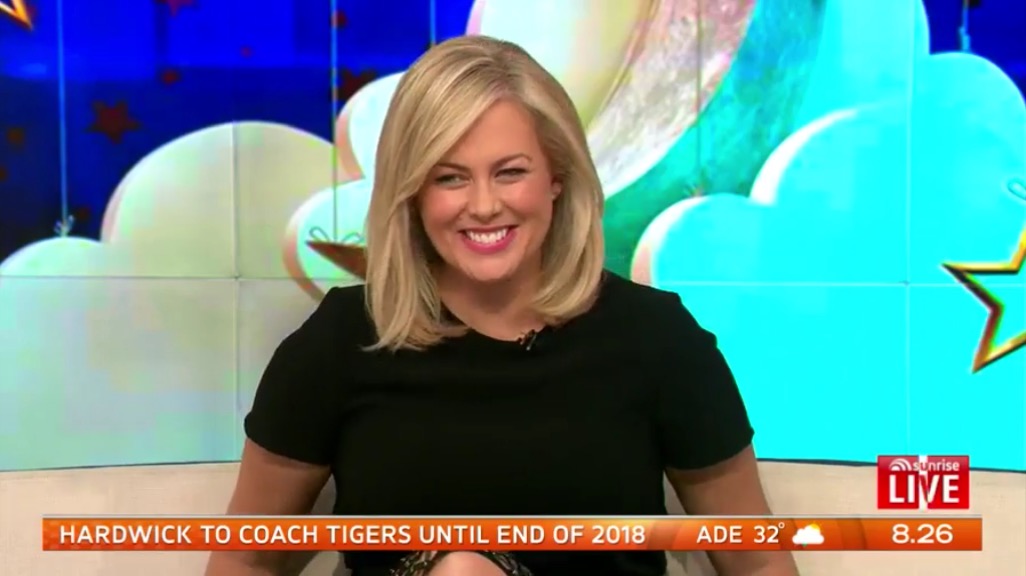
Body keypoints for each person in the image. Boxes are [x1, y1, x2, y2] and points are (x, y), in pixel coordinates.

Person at [206, 35, 799, 576]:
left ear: (556, 177)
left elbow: (758, 562)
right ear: (413, 193)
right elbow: (246, 558)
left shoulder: (656, 339)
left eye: (510, 172)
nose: (484, 205)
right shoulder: (343, 340)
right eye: (450, 178)